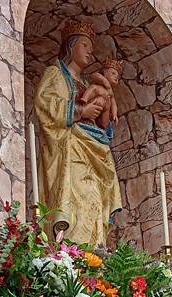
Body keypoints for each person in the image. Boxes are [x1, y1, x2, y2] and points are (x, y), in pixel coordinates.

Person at [33, 20, 122, 245]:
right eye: (84, 45)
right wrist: (81, 111)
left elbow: (102, 124)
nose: (89, 51)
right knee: (74, 199)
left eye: (91, 47)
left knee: (93, 198)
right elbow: (45, 103)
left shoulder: (86, 84)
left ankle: (94, 253)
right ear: (71, 47)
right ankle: (70, 251)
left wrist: (102, 116)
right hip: (70, 151)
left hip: (93, 149)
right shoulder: (55, 74)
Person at [80, 59, 123, 129]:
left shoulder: (110, 92)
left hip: (100, 106)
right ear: (104, 73)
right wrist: (104, 81)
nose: (116, 77)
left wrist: (114, 114)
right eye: (113, 73)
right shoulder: (100, 81)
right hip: (92, 99)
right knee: (93, 88)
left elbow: (113, 103)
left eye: (117, 78)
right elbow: (95, 76)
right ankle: (85, 98)